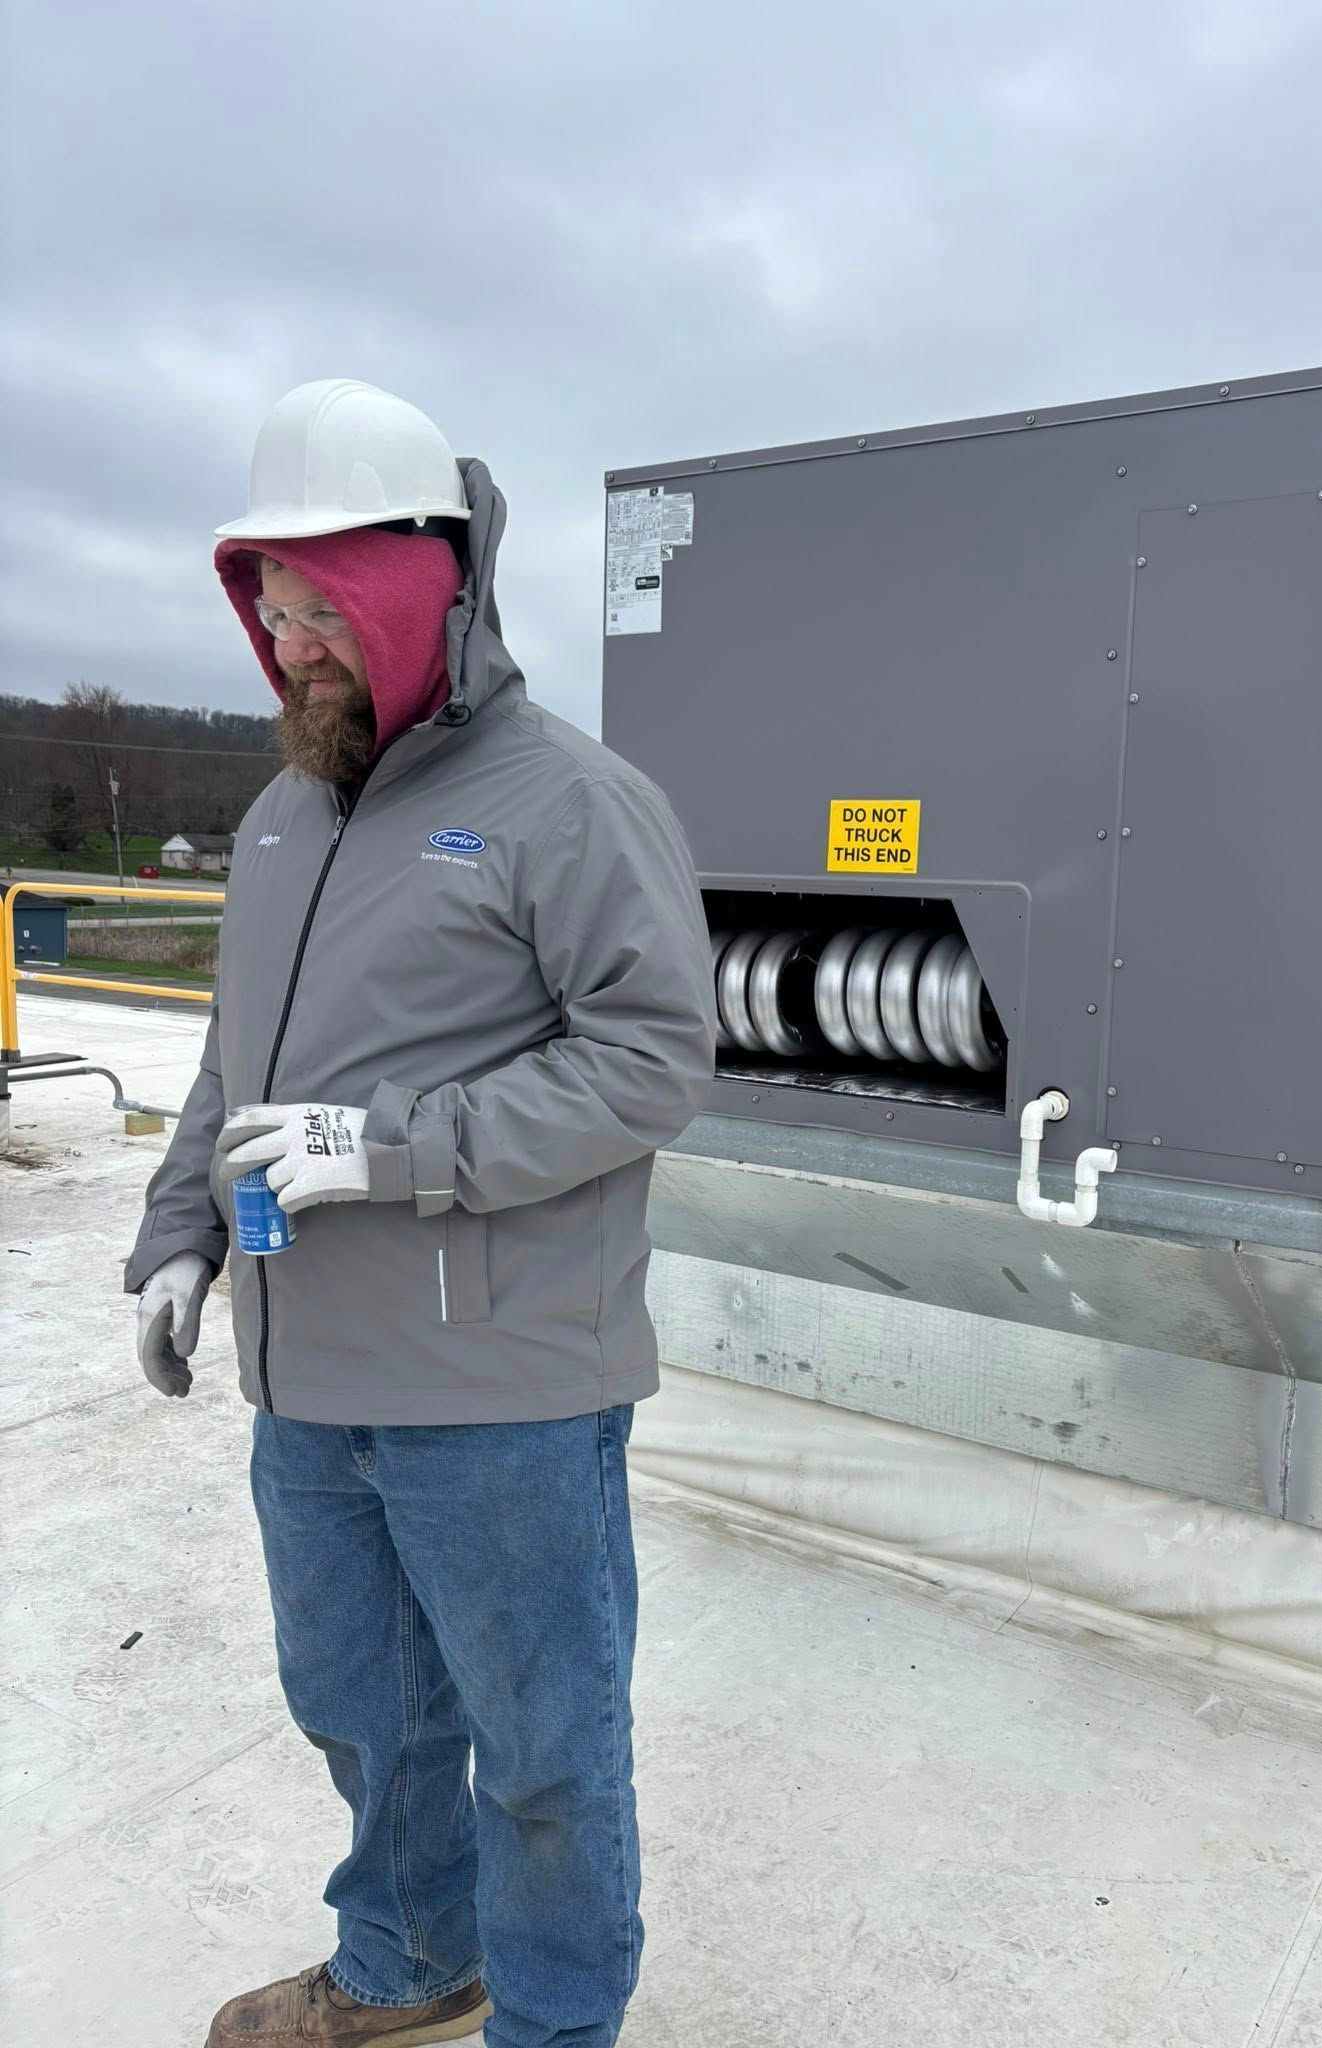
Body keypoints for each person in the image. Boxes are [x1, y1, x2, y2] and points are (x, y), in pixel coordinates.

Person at [127, 378, 717, 2048]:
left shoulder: (567, 801)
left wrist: (391, 1149)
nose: (298, 642)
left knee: (542, 1750)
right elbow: (231, 1066)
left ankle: (552, 2023)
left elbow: (655, 1059)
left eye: (329, 607)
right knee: (365, 1716)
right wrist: (179, 1235)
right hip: (307, 1383)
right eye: (275, 607)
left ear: (423, 586)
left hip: (504, 1395)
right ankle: (406, 1960)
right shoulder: (278, 818)